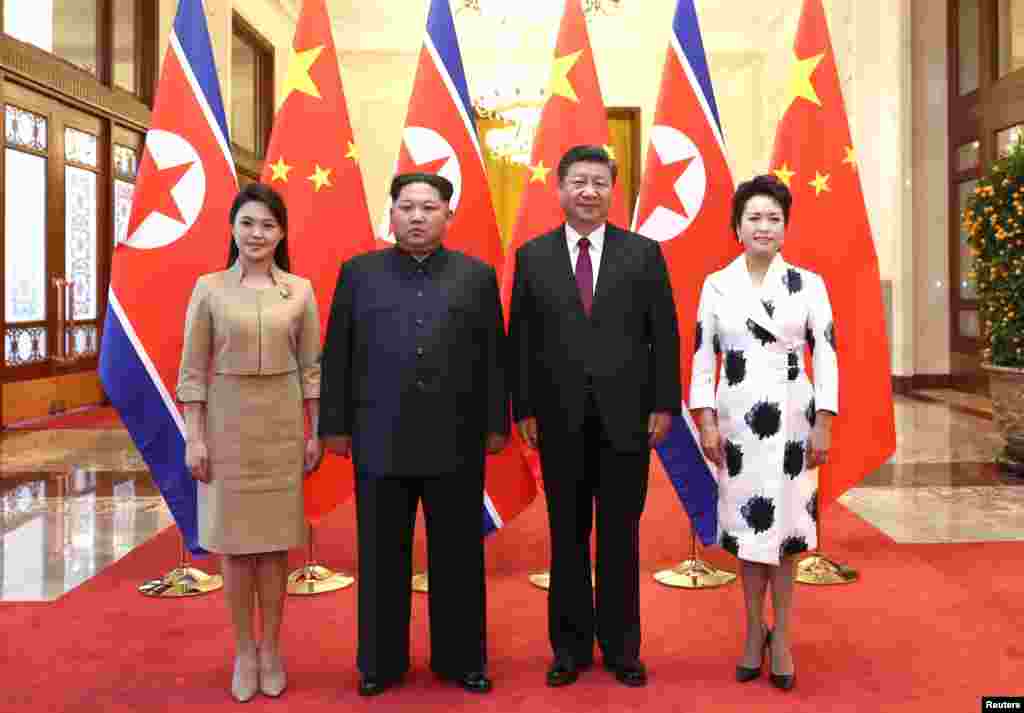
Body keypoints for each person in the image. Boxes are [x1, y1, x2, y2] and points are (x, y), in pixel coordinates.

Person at [318, 172, 507, 697]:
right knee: (381, 555)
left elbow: (494, 356)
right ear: (392, 214)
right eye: (406, 207)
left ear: (448, 214)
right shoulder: (359, 274)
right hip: (380, 437)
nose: (417, 217)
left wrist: (496, 424)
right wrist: (334, 424)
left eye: (429, 207)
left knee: (459, 557)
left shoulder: (476, 275)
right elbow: (338, 353)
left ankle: (462, 658)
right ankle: (380, 662)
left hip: (457, 439)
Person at [508, 145, 681, 688]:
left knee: (621, 537)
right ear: (559, 190)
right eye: (578, 182)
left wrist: (662, 403)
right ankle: (569, 648)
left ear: (613, 191)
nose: (588, 191)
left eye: (599, 182)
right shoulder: (532, 257)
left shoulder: (644, 254)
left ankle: (623, 649)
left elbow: (664, 336)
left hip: (626, 419)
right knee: (567, 537)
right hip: (557, 420)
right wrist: (525, 408)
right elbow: (522, 342)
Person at [690, 174, 838, 691]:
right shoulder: (717, 284)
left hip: (796, 417)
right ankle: (754, 631)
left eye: (773, 218)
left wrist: (825, 421)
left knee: (790, 530)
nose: (764, 226)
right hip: (738, 420)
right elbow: (703, 354)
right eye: (753, 217)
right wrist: (705, 417)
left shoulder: (809, 283)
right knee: (749, 532)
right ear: (736, 226)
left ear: (786, 227)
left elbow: (828, 353)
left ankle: (785, 637)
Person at [177, 183, 323, 702]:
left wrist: (314, 431)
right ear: (233, 228)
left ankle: (272, 650)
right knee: (236, 550)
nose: (257, 234)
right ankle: (243, 649)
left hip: (282, 429)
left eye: (268, 225)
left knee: (276, 546)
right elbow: (192, 372)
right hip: (226, 427)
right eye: (247, 223)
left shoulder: (300, 291)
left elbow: (312, 370)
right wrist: (194, 438)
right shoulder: (210, 288)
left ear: (281, 233)